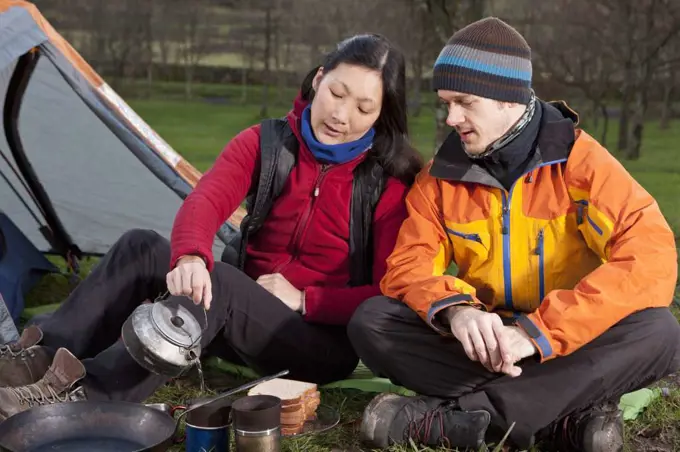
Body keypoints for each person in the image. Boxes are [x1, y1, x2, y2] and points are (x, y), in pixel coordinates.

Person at [0, 33, 422, 420]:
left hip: (317, 344)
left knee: (219, 282)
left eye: (364, 108)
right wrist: (190, 254)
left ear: (382, 114)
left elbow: (389, 291)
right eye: (337, 93)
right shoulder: (266, 142)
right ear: (318, 79)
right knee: (141, 246)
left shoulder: (388, 184)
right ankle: (33, 357)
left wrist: (305, 299)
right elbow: (207, 199)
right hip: (235, 317)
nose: (342, 115)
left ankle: (83, 393)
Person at [348, 17, 680, 452]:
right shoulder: (438, 179)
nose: (451, 118)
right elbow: (407, 265)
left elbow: (652, 257)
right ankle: (562, 419)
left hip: (569, 340)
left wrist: (536, 333)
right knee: (372, 322)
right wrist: (458, 313)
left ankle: (456, 423)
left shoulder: (583, 164)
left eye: (464, 102)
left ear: (509, 98)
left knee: (658, 331)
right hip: (485, 343)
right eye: (446, 103)